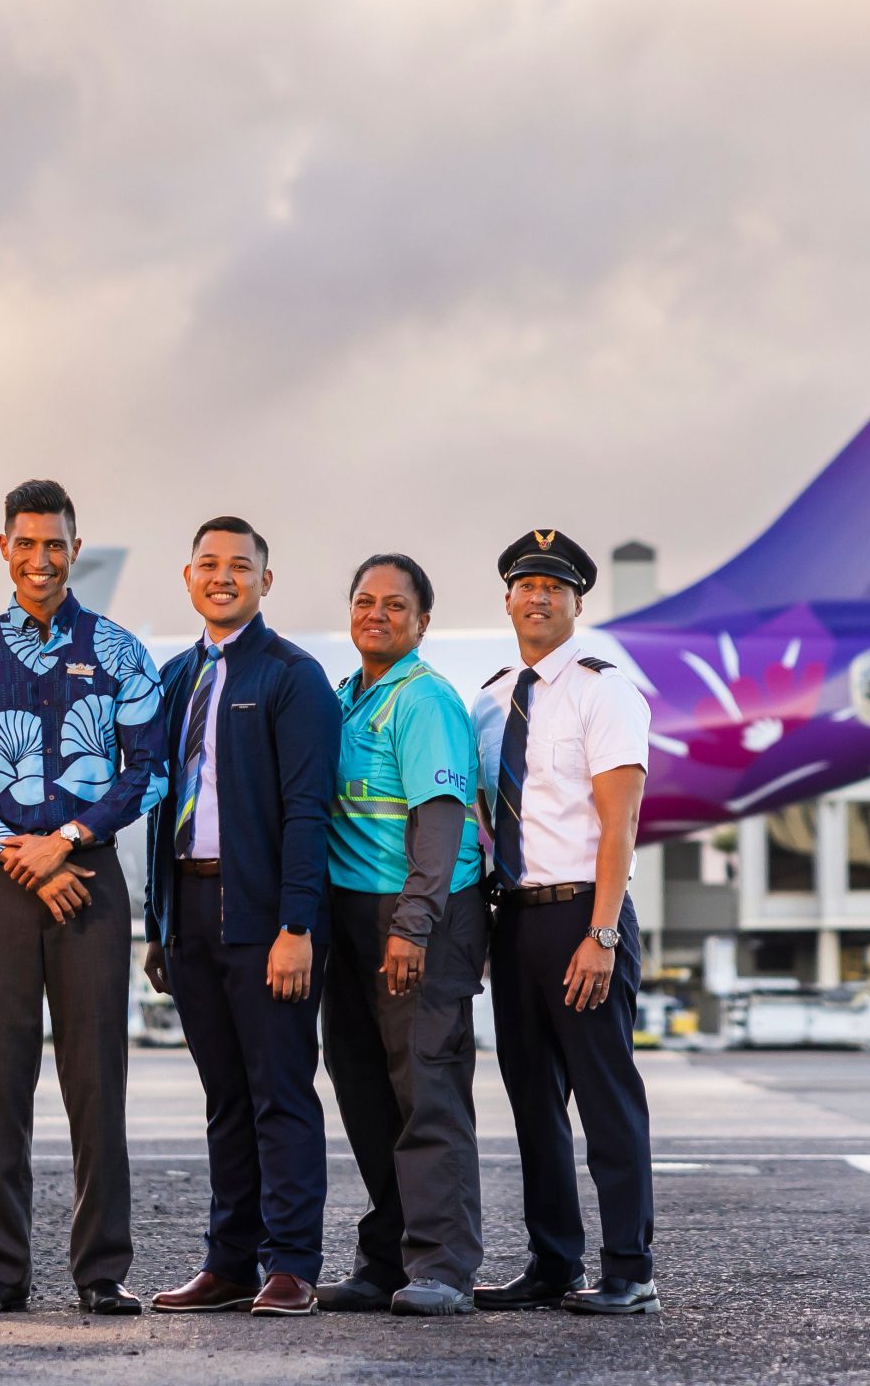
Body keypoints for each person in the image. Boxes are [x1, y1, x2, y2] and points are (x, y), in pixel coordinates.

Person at [0, 478, 166, 1317]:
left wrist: (63, 842)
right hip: (0, 883)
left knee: (97, 1079)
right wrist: (11, 850)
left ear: (74, 545)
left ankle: (101, 1272)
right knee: (1, 1078)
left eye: (55, 543)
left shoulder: (120, 653)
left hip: (89, 881)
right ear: (4, 547)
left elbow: (151, 769)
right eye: (25, 543)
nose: (41, 558)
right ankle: (2, 1271)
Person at [141, 519, 339, 1318]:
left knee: (279, 1091)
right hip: (189, 906)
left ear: (266, 579)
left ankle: (290, 1263)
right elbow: (156, 806)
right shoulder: (172, 679)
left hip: (264, 917)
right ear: (188, 578)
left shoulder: (294, 676)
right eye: (209, 565)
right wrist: (161, 925)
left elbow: (308, 810)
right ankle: (228, 1262)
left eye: (240, 566)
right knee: (224, 1094)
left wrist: (298, 926)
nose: (223, 577)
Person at [471, 529, 660, 1316]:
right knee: (532, 1100)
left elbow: (620, 824)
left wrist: (603, 933)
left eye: (554, 586)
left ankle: (629, 1270)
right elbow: (485, 823)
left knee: (604, 1094)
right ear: (509, 597)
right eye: (526, 584)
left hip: (585, 913)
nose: (538, 597)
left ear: (578, 601)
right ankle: (554, 1262)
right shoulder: (488, 698)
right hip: (513, 920)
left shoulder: (602, 689)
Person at [314, 554, 487, 1318]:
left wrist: (414, 926)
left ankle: (444, 1266)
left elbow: (440, 820)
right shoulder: (348, 698)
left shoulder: (422, 699)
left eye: (394, 604)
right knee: (366, 1093)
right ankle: (385, 1259)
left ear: (422, 621)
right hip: (353, 919)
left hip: (419, 916)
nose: (375, 614)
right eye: (363, 601)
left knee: (428, 1090)